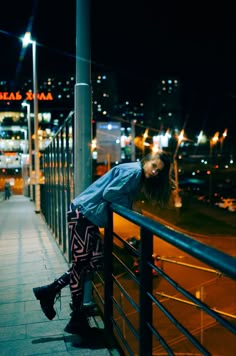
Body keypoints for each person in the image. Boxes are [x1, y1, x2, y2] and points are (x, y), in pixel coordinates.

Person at [33, 150, 173, 335]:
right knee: (80, 266)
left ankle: (50, 291)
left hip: (86, 216)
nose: (155, 172)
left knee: (94, 262)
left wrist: (131, 207)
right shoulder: (135, 172)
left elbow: (114, 193)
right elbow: (110, 194)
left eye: (159, 171)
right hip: (82, 214)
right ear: (146, 161)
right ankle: (75, 318)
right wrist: (131, 209)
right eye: (154, 166)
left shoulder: (134, 172)